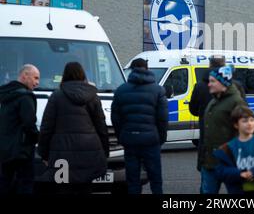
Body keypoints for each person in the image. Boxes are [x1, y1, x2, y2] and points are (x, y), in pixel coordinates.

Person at [37, 62, 109, 194]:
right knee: (85, 189)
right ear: (83, 75)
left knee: (63, 189)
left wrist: (43, 153)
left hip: (61, 155)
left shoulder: (57, 96)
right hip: (88, 152)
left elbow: (46, 128)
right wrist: (105, 151)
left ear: (65, 75)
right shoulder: (92, 96)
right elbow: (101, 126)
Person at [111, 58, 168, 194]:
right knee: (155, 179)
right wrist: (161, 138)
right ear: (147, 68)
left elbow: (116, 118)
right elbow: (163, 118)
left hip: (130, 140)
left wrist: (122, 136)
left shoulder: (121, 90)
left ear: (131, 69)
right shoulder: (158, 90)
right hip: (151, 141)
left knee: (133, 180)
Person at [213, 105, 254, 194]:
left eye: (252, 120)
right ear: (236, 124)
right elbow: (221, 170)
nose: (249, 124)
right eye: (244, 121)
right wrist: (240, 174)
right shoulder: (227, 149)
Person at [201, 65, 246, 194]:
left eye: (213, 81)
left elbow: (245, 134)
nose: (209, 84)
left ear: (223, 83)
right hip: (210, 163)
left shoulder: (236, 102)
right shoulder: (213, 101)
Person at [0, 65, 40, 194]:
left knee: (5, 183)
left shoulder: (5, 94)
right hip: (23, 151)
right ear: (24, 76)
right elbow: (29, 124)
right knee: (26, 184)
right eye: (35, 78)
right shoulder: (25, 97)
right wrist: (37, 139)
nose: (37, 83)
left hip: (5, 150)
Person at [189, 56, 225, 174]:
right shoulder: (233, 85)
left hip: (207, 135)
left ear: (209, 65)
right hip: (228, 137)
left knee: (208, 184)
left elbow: (193, 109)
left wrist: (202, 113)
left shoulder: (200, 85)